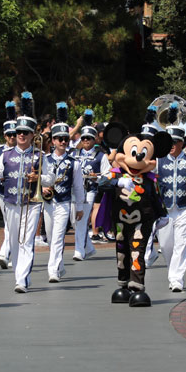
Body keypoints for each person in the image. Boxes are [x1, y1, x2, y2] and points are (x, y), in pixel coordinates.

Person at [0, 92, 42, 293]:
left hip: (32, 204)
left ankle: (21, 280)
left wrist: (39, 178)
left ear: (32, 134)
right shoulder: (5, 155)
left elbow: (50, 178)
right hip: (11, 202)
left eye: (25, 132)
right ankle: (22, 276)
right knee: (14, 241)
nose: (21, 135)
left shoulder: (40, 155)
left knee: (26, 240)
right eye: (18, 132)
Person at [154, 104, 186, 291]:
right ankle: (173, 273)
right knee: (165, 245)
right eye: (169, 142)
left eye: (175, 142)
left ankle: (176, 279)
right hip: (164, 209)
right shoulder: (158, 160)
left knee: (181, 244)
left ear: (181, 143)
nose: (171, 146)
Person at [40, 103, 85, 283]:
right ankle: (59, 266)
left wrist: (80, 207)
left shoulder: (74, 162)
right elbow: (38, 179)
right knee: (51, 238)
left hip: (64, 203)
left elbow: (78, 187)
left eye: (65, 138)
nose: (63, 142)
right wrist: (43, 187)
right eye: (59, 138)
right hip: (49, 203)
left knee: (58, 237)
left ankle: (53, 271)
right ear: (53, 141)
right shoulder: (44, 159)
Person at [72, 112, 104, 261]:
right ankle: (89, 247)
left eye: (88, 138)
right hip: (75, 192)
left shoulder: (100, 155)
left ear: (94, 139)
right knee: (74, 221)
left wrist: (95, 176)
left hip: (90, 191)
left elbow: (108, 174)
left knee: (82, 220)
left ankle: (79, 251)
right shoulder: (75, 153)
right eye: (83, 138)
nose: (85, 140)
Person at [0, 101, 18, 268]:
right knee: (8, 223)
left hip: (19, 192)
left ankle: (5, 253)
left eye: (15, 134)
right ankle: (7, 254)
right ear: (4, 135)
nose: (12, 138)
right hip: (3, 192)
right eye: (9, 135)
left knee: (13, 224)